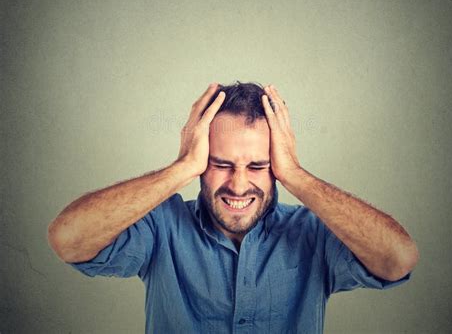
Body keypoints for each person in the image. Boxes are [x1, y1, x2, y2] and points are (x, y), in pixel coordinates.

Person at [47, 81, 419, 333]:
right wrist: (181, 168)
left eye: (257, 166)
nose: (238, 185)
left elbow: (397, 259)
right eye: (221, 164)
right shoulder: (162, 226)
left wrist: (297, 176)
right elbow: (68, 239)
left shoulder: (314, 233)